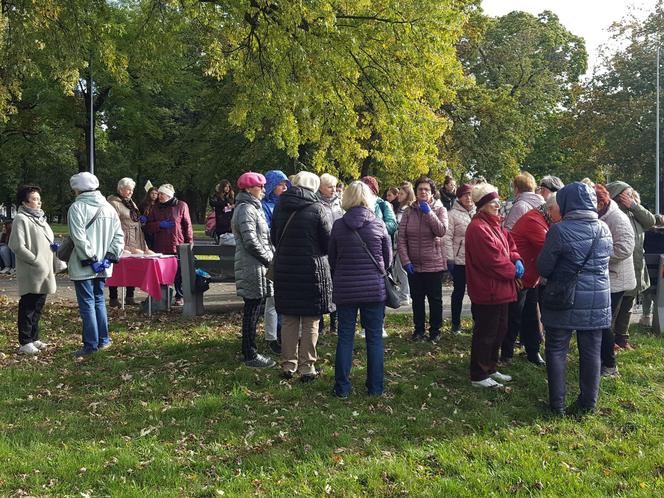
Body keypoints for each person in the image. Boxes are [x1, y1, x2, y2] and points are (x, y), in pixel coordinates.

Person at [537, 182, 612, 415]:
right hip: (598, 299)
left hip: (564, 298)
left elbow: (544, 267)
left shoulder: (560, 230)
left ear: (567, 203)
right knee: (591, 352)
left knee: (557, 349)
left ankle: (557, 405)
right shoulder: (604, 229)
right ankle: (588, 403)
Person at [329, 181, 392, 398]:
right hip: (374, 289)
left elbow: (332, 259)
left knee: (345, 337)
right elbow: (388, 259)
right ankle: (375, 388)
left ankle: (342, 388)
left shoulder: (338, 225)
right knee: (374, 338)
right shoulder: (378, 224)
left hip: (345, 288)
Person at [271, 171, 332, 381]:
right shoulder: (317, 208)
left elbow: (273, 237)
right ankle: (307, 367)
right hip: (311, 270)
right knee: (310, 320)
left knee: (288, 319)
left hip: (286, 268)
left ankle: (288, 364)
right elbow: (327, 242)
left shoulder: (280, 206)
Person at [465, 183, 522, 388]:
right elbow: (492, 261)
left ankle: (491, 367)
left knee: (499, 330)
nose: (497, 205)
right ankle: (479, 374)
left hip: (501, 289)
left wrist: (515, 258)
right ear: (482, 205)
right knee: (486, 332)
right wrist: (513, 270)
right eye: (493, 203)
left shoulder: (495, 224)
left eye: (498, 201)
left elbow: (510, 244)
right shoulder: (478, 228)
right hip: (488, 289)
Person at [66, 172, 125, 357]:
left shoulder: (77, 208)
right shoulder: (109, 208)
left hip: (85, 264)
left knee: (87, 304)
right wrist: (107, 258)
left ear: (77, 189)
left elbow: (79, 238)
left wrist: (92, 260)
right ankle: (104, 340)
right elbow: (119, 237)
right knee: (99, 300)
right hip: (103, 264)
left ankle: (90, 345)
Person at [503, 194, 561, 365]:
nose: (563, 215)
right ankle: (506, 354)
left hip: (531, 277)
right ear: (550, 209)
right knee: (514, 316)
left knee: (530, 317)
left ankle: (532, 351)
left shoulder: (543, 219)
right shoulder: (534, 222)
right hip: (519, 277)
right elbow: (550, 249)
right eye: (561, 212)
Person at [232, 171, 276, 369]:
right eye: (260, 187)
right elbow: (251, 241)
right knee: (252, 309)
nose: (264, 190)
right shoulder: (246, 209)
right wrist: (269, 260)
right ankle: (250, 353)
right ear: (249, 188)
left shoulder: (252, 207)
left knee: (255, 308)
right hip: (252, 266)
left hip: (257, 266)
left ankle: (248, 349)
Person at [397, 176, 448, 342]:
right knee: (417, 300)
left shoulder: (440, 210)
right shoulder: (409, 211)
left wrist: (429, 213)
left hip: (433, 264)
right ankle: (418, 330)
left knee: (435, 300)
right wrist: (405, 261)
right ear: (416, 192)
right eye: (420, 189)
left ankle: (435, 331)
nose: (423, 192)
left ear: (432, 192)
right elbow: (401, 238)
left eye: (427, 189)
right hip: (414, 265)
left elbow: (441, 231)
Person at [605, 181, 656, 350]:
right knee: (614, 308)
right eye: (627, 194)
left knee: (628, 306)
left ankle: (622, 339)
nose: (631, 196)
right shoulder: (613, 214)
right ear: (618, 196)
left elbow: (650, 221)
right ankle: (609, 341)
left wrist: (634, 205)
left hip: (636, 267)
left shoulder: (635, 213)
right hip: (618, 269)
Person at [8, 185, 57, 354]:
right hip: (32, 269)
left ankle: (34, 337)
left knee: (38, 305)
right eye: (34, 199)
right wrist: (36, 260)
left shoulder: (40, 219)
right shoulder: (21, 219)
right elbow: (16, 245)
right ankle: (25, 341)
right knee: (28, 306)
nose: (39, 202)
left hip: (44, 270)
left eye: (39, 198)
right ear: (25, 202)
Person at [595, 184, 635, 378]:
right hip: (608, 277)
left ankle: (610, 366)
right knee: (602, 323)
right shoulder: (604, 214)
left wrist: (598, 254)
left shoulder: (617, 218)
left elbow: (625, 248)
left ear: (601, 202)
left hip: (616, 279)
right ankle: (602, 360)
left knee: (604, 324)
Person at [145, 183, 193, 306]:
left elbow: (187, 225)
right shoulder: (155, 208)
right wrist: (159, 225)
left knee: (179, 272)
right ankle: (162, 296)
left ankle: (179, 295)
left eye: (161, 194)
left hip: (178, 244)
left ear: (169, 195)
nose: (159, 196)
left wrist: (189, 242)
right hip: (160, 245)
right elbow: (148, 227)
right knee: (161, 272)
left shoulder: (181, 205)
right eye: (159, 194)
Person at [107, 177, 149, 306]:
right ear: (121, 189)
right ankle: (113, 298)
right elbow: (112, 223)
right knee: (116, 268)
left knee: (132, 268)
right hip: (122, 239)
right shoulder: (114, 203)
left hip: (135, 238)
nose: (131, 192)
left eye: (132, 190)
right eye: (128, 189)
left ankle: (130, 296)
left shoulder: (130, 202)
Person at [261, 170, 290, 354]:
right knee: (273, 299)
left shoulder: (286, 204)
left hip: (286, 254)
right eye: (281, 185)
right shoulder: (264, 207)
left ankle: (283, 331)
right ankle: (272, 336)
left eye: (286, 184)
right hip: (273, 254)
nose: (285, 188)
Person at [443, 183, 476, 335]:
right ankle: (455, 324)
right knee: (458, 292)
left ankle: (477, 322)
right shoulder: (452, 214)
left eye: (470, 194)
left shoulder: (479, 212)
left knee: (477, 292)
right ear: (459, 197)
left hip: (476, 261)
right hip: (459, 261)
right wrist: (450, 259)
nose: (468, 198)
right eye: (465, 195)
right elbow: (447, 238)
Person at [317, 173, 343, 335]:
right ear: (321, 188)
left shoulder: (340, 203)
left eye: (334, 186)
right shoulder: (316, 203)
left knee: (337, 287)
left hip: (339, 250)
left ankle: (335, 324)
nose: (333, 189)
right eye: (329, 186)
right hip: (322, 250)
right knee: (320, 287)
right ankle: (319, 325)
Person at [392, 182, 415, 305]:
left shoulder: (408, 209)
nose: (399, 195)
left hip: (404, 244)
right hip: (398, 243)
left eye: (401, 193)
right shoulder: (400, 208)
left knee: (402, 269)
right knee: (398, 268)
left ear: (407, 195)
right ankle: (404, 293)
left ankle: (405, 294)